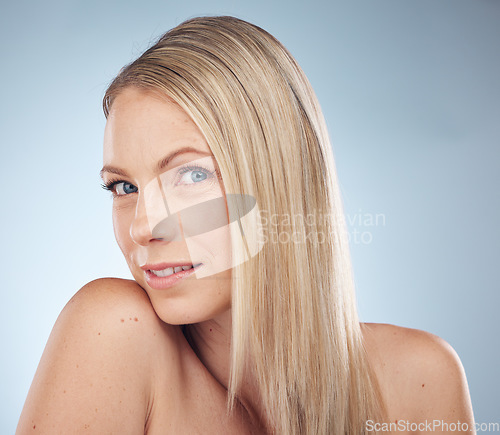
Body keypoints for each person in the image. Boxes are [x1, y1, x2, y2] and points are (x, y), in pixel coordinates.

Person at [16, 16, 475, 434]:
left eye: (192, 175)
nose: (144, 226)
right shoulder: (112, 329)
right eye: (123, 187)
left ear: (281, 180)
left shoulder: (422, 382)